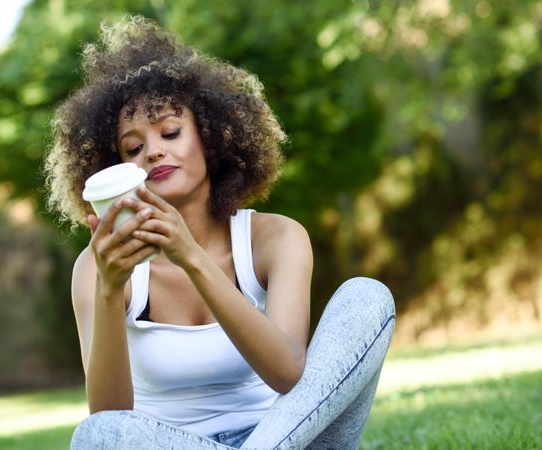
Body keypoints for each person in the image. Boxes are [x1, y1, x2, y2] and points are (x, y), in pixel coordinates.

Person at [45, 15, 395, 449]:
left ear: (211, 136)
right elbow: (110, 414)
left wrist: (190, 256)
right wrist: (110, 291)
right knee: (97, 435)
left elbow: (287, 372)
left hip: (292, 437)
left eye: (170, 131)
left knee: (367, 297)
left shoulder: (276, 239)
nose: (154, 150)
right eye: (133, 148)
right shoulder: (98, 268)